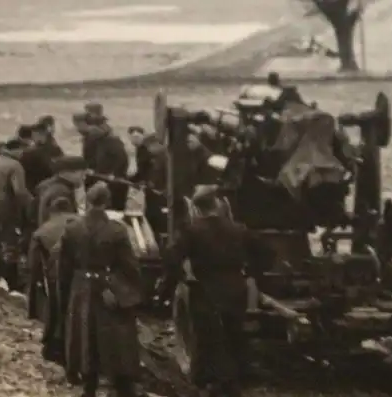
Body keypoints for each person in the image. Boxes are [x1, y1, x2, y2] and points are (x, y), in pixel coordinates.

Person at [156, 185, 263, 397]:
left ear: (197, 208)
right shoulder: (238, 229)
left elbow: (171, 257)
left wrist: (181, 279)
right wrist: (252, 272)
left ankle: (213, 384)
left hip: (205, 289)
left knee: (207, 339)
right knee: (234, 335)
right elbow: (265, 253)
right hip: (235, 288)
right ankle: (235, 381)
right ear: (217, 204)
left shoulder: (190, 230)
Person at [58, 181, 143, 395]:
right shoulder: (117, 230)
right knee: (114, 339)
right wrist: (127, 290)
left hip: (80, 287)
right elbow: (130, 266)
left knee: (84, 336)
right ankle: (118, 385)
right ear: (108, 202)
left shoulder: (72, 227)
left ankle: (89, 386)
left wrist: (67, 291)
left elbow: (63, 267)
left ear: (87, 200)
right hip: (107, 287)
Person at [26, 196, 79, 363]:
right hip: (83, 273)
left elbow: (33, 264)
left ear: (52, 212)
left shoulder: (42, 231)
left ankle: (56, 348)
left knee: (56, 309)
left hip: (56, 274)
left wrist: (36, 283)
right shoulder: (81, 223)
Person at [0, 138, 33, 290]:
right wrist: (33, 204)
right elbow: (20, 192)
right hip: (6, 210)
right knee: (10, 245)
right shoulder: (15, 165)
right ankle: (12, 282)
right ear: (17, 149)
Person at [73, 103, 129, 211]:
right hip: (98, 180)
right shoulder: (96, 139)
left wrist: (113, 175)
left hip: (110, 184)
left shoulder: (109, 139)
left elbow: (122, 160)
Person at [127, 125, 167, 235]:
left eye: (136, 138)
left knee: (153, 209)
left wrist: (150, 183)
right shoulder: (146, 147)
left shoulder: (148, 149)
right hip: (154, 184)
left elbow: (153, 168)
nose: (134, 141)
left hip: (155, 186)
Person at [20, 123, 55, 194]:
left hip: (36, 187)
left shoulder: (32, 152)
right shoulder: (55, 148)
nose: (32, 138)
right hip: (48, 186)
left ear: (37, 134)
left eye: (33, 135)